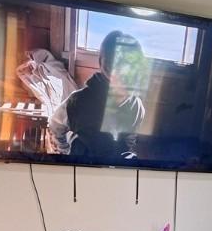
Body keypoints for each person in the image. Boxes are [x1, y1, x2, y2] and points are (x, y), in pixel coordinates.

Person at [49, 31, 146, 159]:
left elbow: (130, 140)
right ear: (104, 66)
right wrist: (66, 154)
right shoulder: (78, 101)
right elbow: (55, 127)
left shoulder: (136, 106)